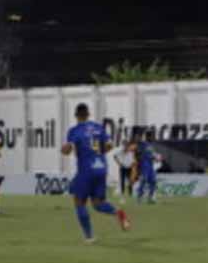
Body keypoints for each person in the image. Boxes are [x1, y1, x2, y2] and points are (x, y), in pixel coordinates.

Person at [61, 103, 131, 243]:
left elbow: (67, 149)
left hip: (86, 170)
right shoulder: (98, 128)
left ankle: (89, 237)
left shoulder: (74, 131)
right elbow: (110, 145)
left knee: (79, 201)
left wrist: (65, 149)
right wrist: (98, 154)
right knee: (98, 203)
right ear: (88, 114)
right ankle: (118, 212)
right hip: (101, 168)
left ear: (76, 115)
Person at [136, 131, 160, 204]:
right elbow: (138, 142)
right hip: (145, 164)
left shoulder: (151, 145)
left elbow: (152, 154)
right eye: (152, 136)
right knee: (143, 180)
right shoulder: (143, 143)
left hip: (150, 165)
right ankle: (139, 198)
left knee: (153, 181)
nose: (153, 137)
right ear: (148, 137)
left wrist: (156, 158)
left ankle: (150, 198)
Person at [112, 137, 135, 204]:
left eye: (127, 145)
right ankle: (122, 196)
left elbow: (132, 159)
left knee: (130, 180)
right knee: (122, 181)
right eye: (125, 145)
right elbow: (115, 156)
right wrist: (119, 163)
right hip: (123, 168)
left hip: (129, 167)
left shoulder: (131, 152)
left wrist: (132, 164)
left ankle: (131, 193)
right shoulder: (121, 151)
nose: (126, 146)